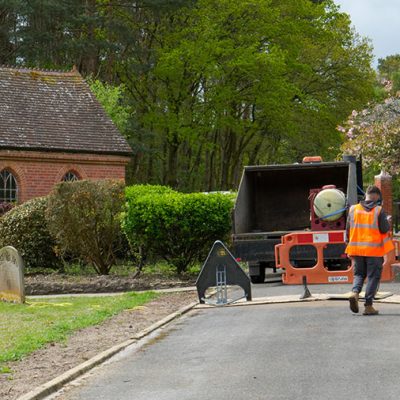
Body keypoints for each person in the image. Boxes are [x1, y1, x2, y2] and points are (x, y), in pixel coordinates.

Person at [345, 185, 394, 315]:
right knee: (373, 276)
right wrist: (387, 222)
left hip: (356, 249)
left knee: (359, 274)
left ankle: (354, 293)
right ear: (377, 197)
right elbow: (384, 229)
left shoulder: (353, 209)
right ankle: (368, 306)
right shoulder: (378, 210)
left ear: (366, 194)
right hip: (373, 250)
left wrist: (347, 245)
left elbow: (348, 230)